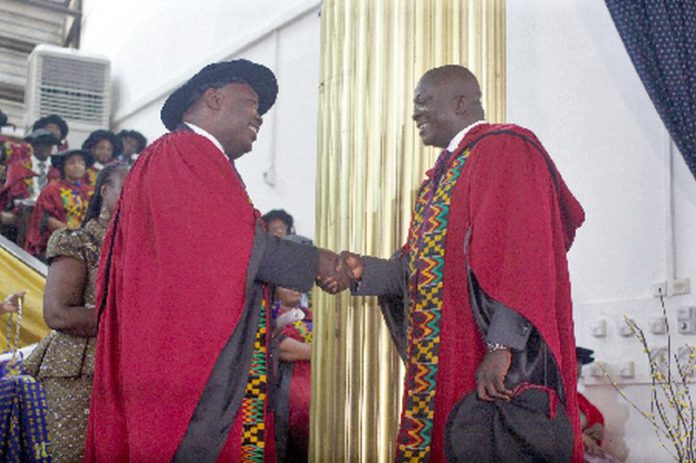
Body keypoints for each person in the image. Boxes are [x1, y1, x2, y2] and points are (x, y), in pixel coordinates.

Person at [85, 59, 353, 462]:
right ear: (214, 98)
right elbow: (231, 248)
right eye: (251, 104)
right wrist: (319, 262)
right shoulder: (183, 152)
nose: (260, 118)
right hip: (182, 368)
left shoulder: (199, 160)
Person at [334, 65, 586, 462]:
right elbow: (419, 270)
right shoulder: (443, 175)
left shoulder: (505, 148)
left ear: (461, 102)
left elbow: (521, 253)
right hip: (443, 359)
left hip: (489, 355)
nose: (415, 114)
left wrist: (501, 347)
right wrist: (361, 271)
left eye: (423, 102)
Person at [23, 163, 128, 462]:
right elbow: (58, 314)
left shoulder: (146, 248)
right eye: (127, 188)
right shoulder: (77, 240)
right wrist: (132, 320)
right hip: (76, 374)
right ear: (105, 191)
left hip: (128, 372)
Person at [24, 149, 94, 259]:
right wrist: (74, 235)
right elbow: (47, 219)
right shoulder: (52, 190)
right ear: (63, 167)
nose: (77, 166)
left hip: (86, 244)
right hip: (58, 243)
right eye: (72, 163)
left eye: (81, 163)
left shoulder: (91, 191)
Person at [273, 286, 313, 463]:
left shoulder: (313, 314)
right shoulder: (270, 315)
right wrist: (319, 352)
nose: (294, 289)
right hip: (285, 396)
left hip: (318, 396)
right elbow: (281, 348)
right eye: (286, 285)